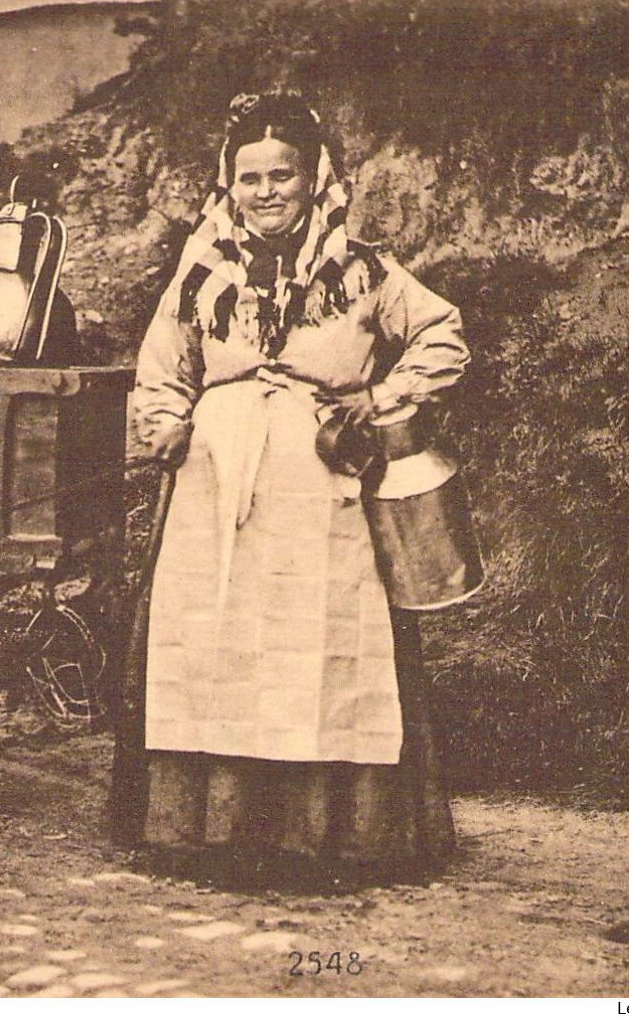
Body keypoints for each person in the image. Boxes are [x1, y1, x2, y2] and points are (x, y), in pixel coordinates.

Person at [131, 91, 469, 885]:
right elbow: (162, 364)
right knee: (219, 640)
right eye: (248, 178)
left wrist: (379, 397)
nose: (266, 192)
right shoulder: (200, 270)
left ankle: (323, 838)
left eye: (281, 174)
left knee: (314, 644)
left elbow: (440, 333)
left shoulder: (363, 269)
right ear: (228, 185)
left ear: (315, 177)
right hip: (216, 487)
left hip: (322, 483)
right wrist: (168, 421)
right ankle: (211, 832)